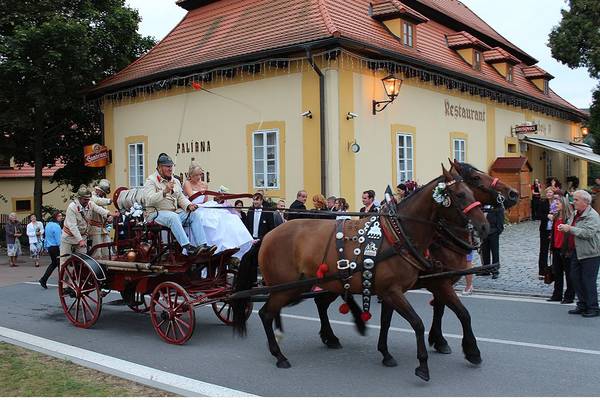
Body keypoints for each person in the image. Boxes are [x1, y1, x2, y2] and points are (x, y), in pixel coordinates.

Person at [143, 153, 214, 256]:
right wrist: (164, 192)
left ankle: (202, 245)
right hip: (155, 213)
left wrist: (189, 205)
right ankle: (187, 247)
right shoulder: (151, 181)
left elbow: (180, 197)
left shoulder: (174, 180)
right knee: (173, 217)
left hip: (173, 212)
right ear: (159, 167)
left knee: (194, 215)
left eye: (171, 166)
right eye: (167, 166)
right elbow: (149, 200)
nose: (170, 169)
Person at [183, 161, 252, 259]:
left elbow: (205, 200)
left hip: (203, 207)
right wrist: (201, 192)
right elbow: (192, 197)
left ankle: (230, 244)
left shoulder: (204, 185)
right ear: (191, 175)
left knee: (226, 216)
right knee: (210, 220)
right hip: (192, 208)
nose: (199, 178)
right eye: (196, 175)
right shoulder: (187, 183)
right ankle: (208, 246)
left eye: (200, 175)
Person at [558, 190, 600, 317]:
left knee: (588, 281)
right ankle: (582, 305)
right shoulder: (576, 213)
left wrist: (569, 229)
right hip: (576, 251)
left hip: (590, 253)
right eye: (573, 199)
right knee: (575, 278)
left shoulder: (592, 215)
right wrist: (565, 227)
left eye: (576, 200)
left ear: (585, 202)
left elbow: (588, 233)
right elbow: (571, 228)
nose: (573, 202)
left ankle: (593, 307)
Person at [61, 185, 119, 264]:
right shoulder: (72, 207)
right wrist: (80, 240)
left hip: (82, 236)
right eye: (85, 199)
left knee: (83, 260)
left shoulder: (90, 204)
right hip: (69, 237)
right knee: (64, 260)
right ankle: (64, 275)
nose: (87, 201)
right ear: (79, 198)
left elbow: (100, 210)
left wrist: (111, 214)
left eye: (88, 199)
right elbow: (72, 226)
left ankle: (80, 275)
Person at [242, 192, 276, 284]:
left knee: (264, 261)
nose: (255, 202)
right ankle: (253, 281)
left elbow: (271, 228)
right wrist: (250, 238)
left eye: (257, 200)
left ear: (261, 200)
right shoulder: (250, 211)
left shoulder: (267, 212)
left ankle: (266, 280)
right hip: (252, 240)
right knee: (251, 261)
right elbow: (247, 226)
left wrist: (261, 239)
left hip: (263, 241)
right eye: (254, 200)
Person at [547, 195, 575, 303]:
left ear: (564, 204)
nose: (555, 205)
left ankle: (569, 296)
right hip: (556, 248)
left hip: (566, 250)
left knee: (569, 274)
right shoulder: (556, 217)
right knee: (557, 273)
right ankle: (557, 295)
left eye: (557, 203)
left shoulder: (569, 218)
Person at [89, 179, 113, 258]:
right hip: (95, 228)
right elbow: (98, 202)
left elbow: (104, 211)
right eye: (103, 192)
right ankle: (96, 267)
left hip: (103, 227)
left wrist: (109, 217)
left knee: (108, 246)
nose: (103, 194)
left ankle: (108, 263)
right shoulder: (91, 197)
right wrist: (110, 201)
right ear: (97, 190)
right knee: (97, 249)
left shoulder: (101, 198)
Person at [39, 212, 63, 289]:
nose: (61, 217)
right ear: (55, 217)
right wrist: (61, 248)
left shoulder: (48, 225)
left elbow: (45, 237)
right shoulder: (56, 226)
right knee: (60, 264)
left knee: (54, 264)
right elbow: (58, 239)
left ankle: (44, 279)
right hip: (56, 247)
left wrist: (45, 247)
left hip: (50, 247)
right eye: (59, 216)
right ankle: (62, 282)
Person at [479, 204, 504, 279]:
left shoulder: (497, 207)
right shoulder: (482, 207)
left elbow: (500, 220)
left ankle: (495, 270)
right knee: (485, 251)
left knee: (494, 252)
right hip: (484, 233)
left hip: (494, 232)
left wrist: (497, 231)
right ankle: (486, 270)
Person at [537, 188, 555, 279]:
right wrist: (547, 216)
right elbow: (538, 215)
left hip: (555, 230)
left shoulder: (557, 203)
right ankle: (542, 271)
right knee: (543, 250)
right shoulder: (542, 203)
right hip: (545, 229)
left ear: (553, 193)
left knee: (555, 251)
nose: (548, 194)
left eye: (550, 192)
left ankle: (556, 270)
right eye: (547, 192)